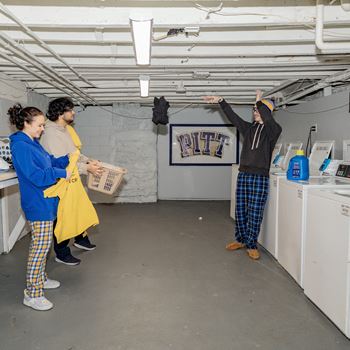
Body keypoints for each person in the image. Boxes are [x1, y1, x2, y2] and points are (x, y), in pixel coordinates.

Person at [204, 90, 282, 260]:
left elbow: (267, 117)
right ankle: (240, 240)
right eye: (254, 110)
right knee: (240, 210)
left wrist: (259, 102)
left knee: (255, 212)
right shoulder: (248, 129)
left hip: (260, 177)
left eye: (257, 110)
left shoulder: (273, 131)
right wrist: (221, 100)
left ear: (266, 112)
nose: (254, 112)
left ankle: (252, 244)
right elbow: (233, 117)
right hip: (244, 174)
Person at [8, 104, 70, 311]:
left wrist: (68, 159)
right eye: (40, 125)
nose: (42, 129)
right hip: (37, 202)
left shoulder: (32, 143)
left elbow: (49, 161)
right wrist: (61, 173)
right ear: (26, 123)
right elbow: (35, 177)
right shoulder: (21, 146)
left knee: (44, 246)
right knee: (39, 248)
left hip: (46, 201)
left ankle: (41, 278)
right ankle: (32, 294)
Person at [40, 97, 102, 266]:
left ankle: (81, 239)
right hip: (59, 182)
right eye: (70, 109)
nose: (73, 112)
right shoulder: (51, 134)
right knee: (64, 217)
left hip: (71, 180)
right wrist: (86, 168)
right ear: (61, 113)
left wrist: (89, 161)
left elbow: (73, 154)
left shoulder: (64, 129)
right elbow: (63, 163)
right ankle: (62, 252)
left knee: (78, 208)